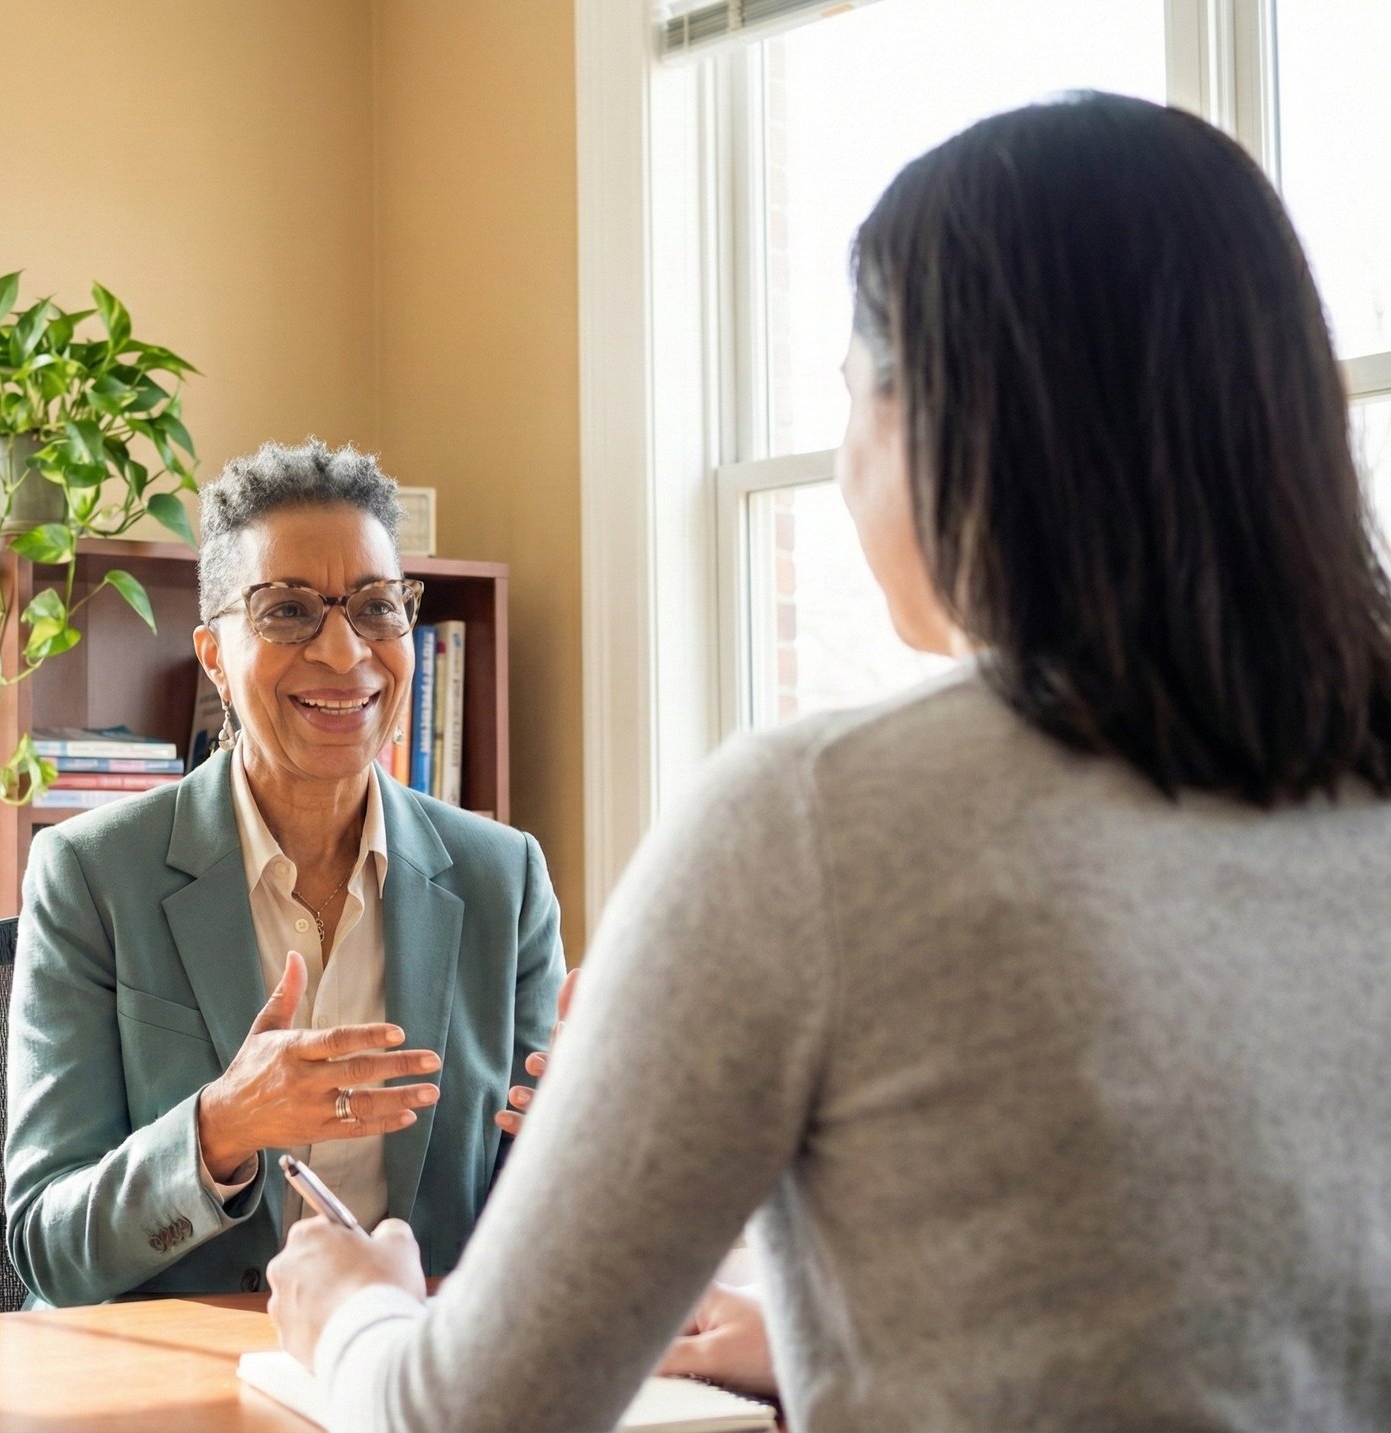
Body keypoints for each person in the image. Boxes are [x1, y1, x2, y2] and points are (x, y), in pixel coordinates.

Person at [265, 93, 1391, 1431]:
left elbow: (469, 1413)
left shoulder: (810, 820)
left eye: (852, 393)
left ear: (951, 424)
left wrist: (348, 1307)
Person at [4, 439, 566, 1306]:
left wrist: (586, 1145)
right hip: (181, 1379)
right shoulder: (90, 875)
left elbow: (535, 1217)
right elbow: (47, 1244)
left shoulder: (505, 879)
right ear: (215, 656)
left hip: (411, 1372)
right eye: (287, 610)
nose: (345, 654)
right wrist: (220, 1127)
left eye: (377, 606)